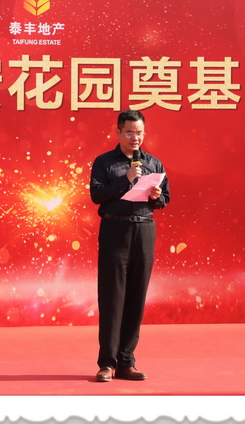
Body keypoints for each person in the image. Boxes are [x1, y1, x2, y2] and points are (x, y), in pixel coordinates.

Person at [89, 109, 170, 382]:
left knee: (136, 296)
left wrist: (157, 196)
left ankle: (127, 361)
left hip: (144, 230)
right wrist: (125, 178)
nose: (135, 138)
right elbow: (97, 195)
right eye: (129, 132)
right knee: (112, 298)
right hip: (115, 230)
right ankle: (107, 363)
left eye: (139, 133)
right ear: (118, 133)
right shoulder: (104, 162)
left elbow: (164, 199)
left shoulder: (154, 163)